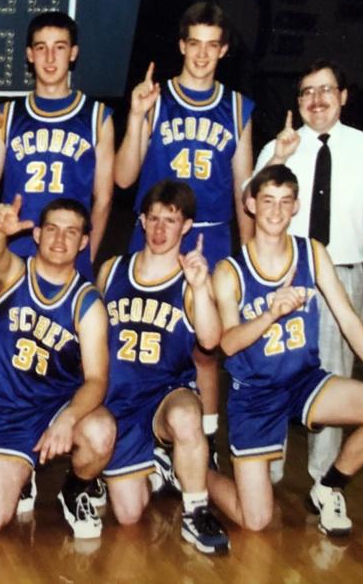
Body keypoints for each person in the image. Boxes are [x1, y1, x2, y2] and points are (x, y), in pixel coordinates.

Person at [207, 164, 363, 535]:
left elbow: (349, 321)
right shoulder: (229, 270)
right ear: (251, 203)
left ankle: (329, 485)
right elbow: (227, 343)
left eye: (285, 201)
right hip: (255, 394)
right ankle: (193, 470)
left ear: (297, 206)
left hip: (305, 381)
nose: (276, 211)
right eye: (268, 200)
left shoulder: (312, 252)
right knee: (254, 520)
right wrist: (271, 313)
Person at [253, 60, 363, 488]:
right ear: (298, 101)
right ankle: (267, 470)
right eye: (307, 92)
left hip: (344, 273)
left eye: (326, 90)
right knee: (278, 369)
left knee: (337, 371)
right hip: (287, 275)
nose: (317, 100)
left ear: (343, 96)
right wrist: (278, 158)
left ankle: (325, 480)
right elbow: (254, 206)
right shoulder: (280, 147)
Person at [114, 1, 254, 454]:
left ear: (224, 50)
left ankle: (204, 445)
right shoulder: (155, 98)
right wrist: (136, 117)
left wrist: (247, 260)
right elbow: (122, 177)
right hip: (154, 234)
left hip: (209, 235)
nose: (201, 55)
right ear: (181, 44)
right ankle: (137, 437)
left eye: (212, 46)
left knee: (205, 349)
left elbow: (244, 189)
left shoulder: (236, 109)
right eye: (194, 44)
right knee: (142, 339)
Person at [0, 196, 114, 540]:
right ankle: (22, 477)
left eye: (71, 232)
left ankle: (76, 488)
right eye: (51, 229)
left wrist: (67, 418)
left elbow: (96, 380)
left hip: (59, 407)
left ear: (83, 242)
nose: (60, 239)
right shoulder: (12, 275)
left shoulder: (87, 302)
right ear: (36, 234)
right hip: (8, 415)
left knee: (100, 432)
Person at [96, 180, 229, 554]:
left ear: (186, 226)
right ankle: (156, 464)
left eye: (169, 221)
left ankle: (196, 511)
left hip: (164, 397)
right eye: (152, 218)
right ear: (141, 219)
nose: (158, 230)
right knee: (128, 515)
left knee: (188, 414)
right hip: (117, 400)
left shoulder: (191, 281)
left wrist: (201, 289)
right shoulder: (112, 270)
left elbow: (210, 340)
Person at [0, 11, 114, 280]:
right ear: (29, 54)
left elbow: (104, 199)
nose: (50, 58)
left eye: (59, 48)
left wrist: (87, 256)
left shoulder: (97, 117)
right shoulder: (8, 115)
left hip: (69, 255)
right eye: (41, 48)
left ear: (73, 53)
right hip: (15, 252)